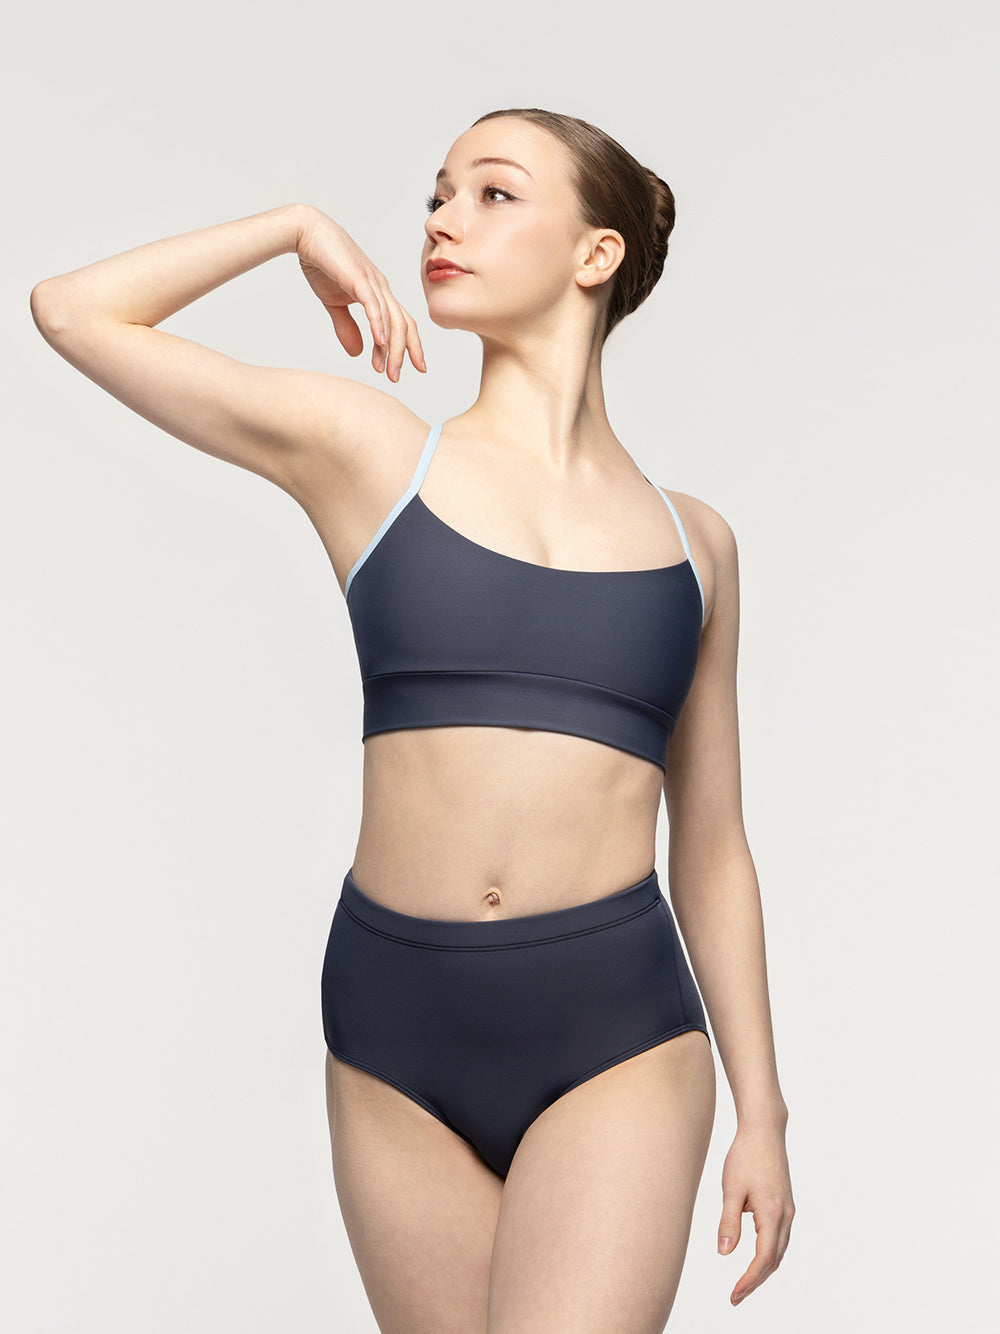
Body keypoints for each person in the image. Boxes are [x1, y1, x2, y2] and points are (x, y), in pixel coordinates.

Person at [30, 106, 794, 1333]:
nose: (441, 219)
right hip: (393, 1034)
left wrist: (764, 1109)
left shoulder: (695, 545)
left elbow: (711, 844)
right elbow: (73, 311)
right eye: (438, 193)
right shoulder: (374, 458)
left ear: (594, 253)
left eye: (493, 193)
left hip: (614, 1029)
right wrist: (292, 227)